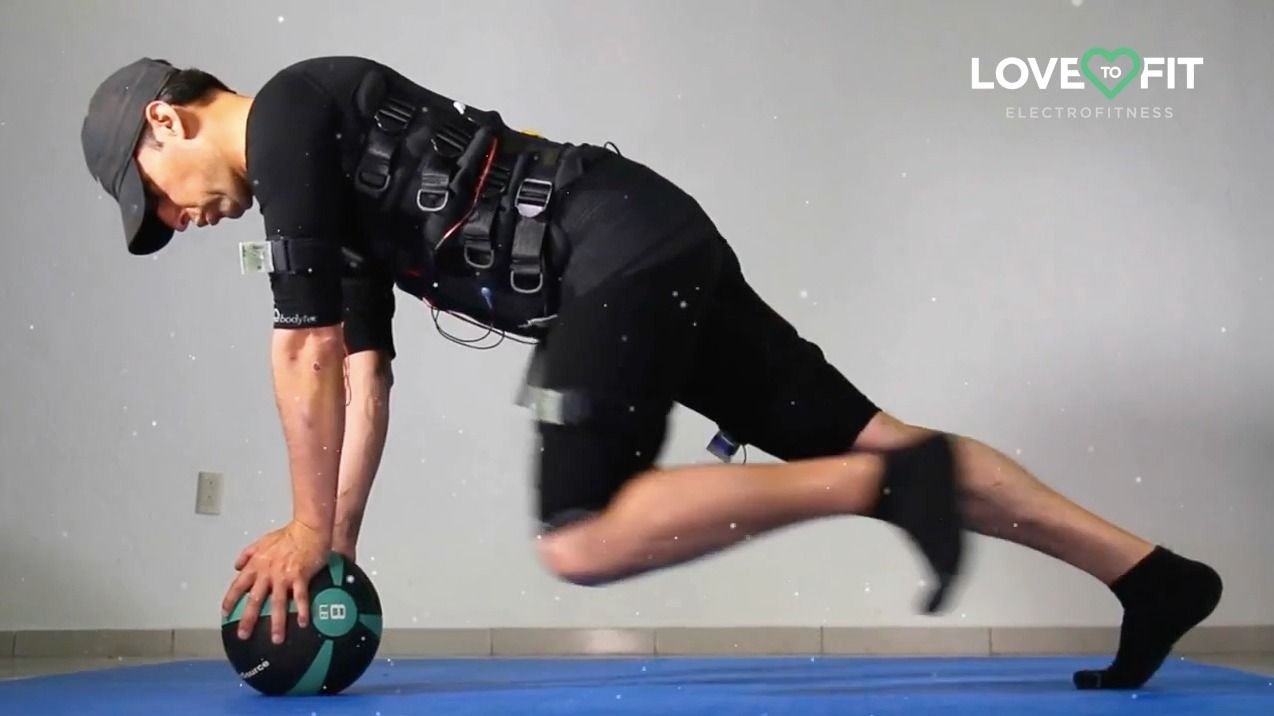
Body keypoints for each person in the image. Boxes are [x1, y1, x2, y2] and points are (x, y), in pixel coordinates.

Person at [80, 55, 1222, 690]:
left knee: (581, 537)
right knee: (870, 432)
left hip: (611, 252)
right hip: (646, 243)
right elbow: (362, 381)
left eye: (155, 200)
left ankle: (894, 487)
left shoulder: (289, 110)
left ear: (166, 121)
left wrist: (298, 525)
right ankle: (1150, 576)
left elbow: (305, 349)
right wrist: (331, 543)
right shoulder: (325, 208)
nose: (175, 222)